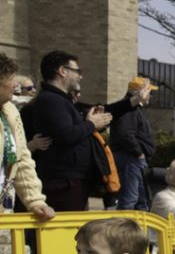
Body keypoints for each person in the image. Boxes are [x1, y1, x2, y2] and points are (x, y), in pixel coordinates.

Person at [22, 50, 111, 212]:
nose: (80, 76)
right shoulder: (51, 100)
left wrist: (89, 122)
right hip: (63, 183)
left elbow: (70, 131)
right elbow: (65, 134)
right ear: (62, 71)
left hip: (72, 181)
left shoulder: (61, 100)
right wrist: (91, 124)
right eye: (77, 71)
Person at [0, 52, 54, 222]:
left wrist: (35, 200)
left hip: (5, 212)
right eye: (10, 79)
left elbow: (21, 159)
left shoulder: (10, 111)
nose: (15, 86)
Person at [105, 77, 158, 211]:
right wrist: (138, 153)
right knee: (131, 199)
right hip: (131, 159)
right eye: (149, 92)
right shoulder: (130, 109)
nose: (150, 96)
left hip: (131, 158)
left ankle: (135, 228)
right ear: (137, 92)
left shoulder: (130, 109)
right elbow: (125, 133)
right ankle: (125, 230)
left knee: (139, 199)